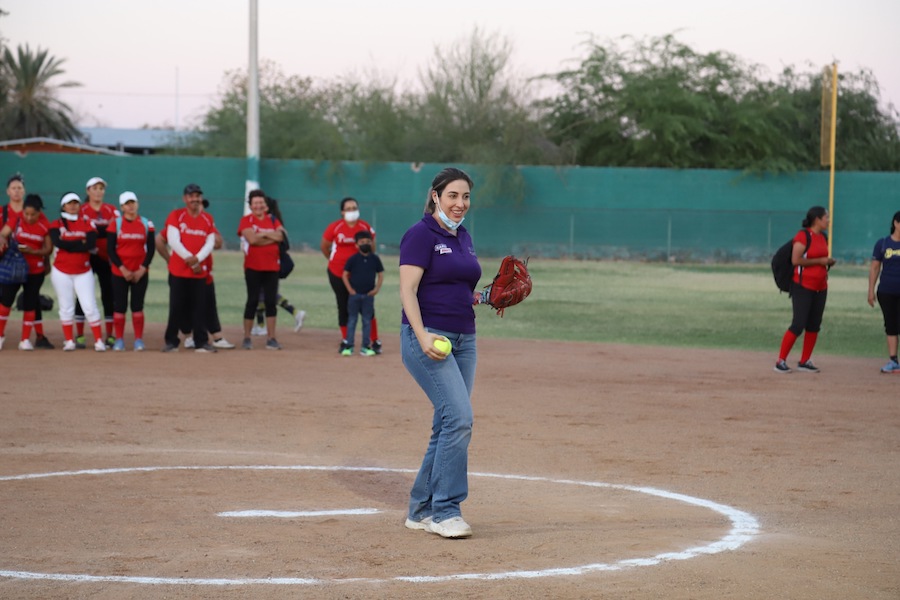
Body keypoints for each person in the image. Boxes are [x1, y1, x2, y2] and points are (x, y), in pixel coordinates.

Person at [399, 167, 482, 539]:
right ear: (436, 196)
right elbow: (407, 291)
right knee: (460, 418)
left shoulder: (462, 236)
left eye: (465, 197)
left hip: (465, 339)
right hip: (428, 338)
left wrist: (482, 296)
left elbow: (458, 286)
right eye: (452, 196)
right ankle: (445, 510)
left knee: (447, 423)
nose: (460, 203)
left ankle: (421, 509)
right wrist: (423, 336)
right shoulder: (421, 234)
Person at [155, 197, 234, 350]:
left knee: (204, 305)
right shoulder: (179, 219)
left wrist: (211, 233)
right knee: (180, 305)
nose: (200, 206)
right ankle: (186, 336)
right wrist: (170, 260)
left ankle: (210, 337)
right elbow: (160, 239)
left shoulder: (207, 222)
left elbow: (217, 243)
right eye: (199, 203)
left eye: (203, 204)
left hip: (203, 272)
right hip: (181, 270)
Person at [774, 206, 836, 373]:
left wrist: (827, 262)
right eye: (826, 218)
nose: (828, 221)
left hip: (821, 286)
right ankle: (780, 361)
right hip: (803, 286)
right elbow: (796, 260)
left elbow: (821, 258)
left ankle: (804, 360)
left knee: (814, 324)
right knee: (798, 324)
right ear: (817, 219)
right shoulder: (803, 236)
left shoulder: (823, 237)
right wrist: (820, 261)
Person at [321, 197, 382, 354]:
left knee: (367, 307)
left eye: (354, 207)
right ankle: (346, 340)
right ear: (342, 211)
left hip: (360, 275)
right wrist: (334, 260)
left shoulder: (364, 226)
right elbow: (324, 246)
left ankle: (374, 340)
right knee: (343, 306)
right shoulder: (335, 227)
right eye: (348, 209)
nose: (351, 211)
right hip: (337, 272)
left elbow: (372, 247)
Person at [161, 183, 218, 353]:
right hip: (179, 270)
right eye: (192, 196)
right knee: (176, 306)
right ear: (185, 199)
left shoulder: (208, 219)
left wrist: (198, 260)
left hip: (199, 271)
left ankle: (201, 341)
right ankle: (171, 341)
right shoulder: (176, 215)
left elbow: (210, 242)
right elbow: (173, 240)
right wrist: (190, 260)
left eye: (198, 196)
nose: (195, 199)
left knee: (199, 307)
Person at [48, 192, 106, 352]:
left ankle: (99, 341)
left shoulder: (88, 223)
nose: (73, 206)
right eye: (69, 203)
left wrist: (70, 244)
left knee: (89, 306)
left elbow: (91, 244)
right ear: (63, 206)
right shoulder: (56, 224)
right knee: (66, 307)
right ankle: (68, 341)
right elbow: (57, 242)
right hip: (61, 271)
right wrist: (79, 243)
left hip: (83, 271)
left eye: (75, 203)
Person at [1, 174, 53, 348]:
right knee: (5, 300)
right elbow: (3, 233)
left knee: (31, 302)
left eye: (20, 188)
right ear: (8, 191)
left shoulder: (42, 221)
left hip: (34, 269)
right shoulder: (11, 216)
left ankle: (27, 339)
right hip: (11, 266)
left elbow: (48, 248)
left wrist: (37, 253)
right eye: (13, 188)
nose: (29, 217)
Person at [107, 191, 155, 351]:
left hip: (140, 272)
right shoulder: (116, 224)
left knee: (137, 306)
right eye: (127, 203)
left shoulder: (147, 224)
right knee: (120, 306)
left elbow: (151, 249)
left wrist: (143, 268)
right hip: (120, 272)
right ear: (122, 207)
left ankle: (138, 340)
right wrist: (123, 269)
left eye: (133, 202)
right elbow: (111, 250)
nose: (131, 206)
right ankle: (119, 340)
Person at [237, 189, 285, 350]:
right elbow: (251, 239)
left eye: (261, 202)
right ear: (250, 206)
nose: (258, 206)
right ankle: (247, 337)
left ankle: (271, 338)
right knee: (252, 301)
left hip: (272, 267)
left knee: (271, 302)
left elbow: (280, 237)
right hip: (253, 267)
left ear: (265, 205)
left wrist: (262, 236)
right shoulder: (246, 220)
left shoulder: (272, 219)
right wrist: (269, 236)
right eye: (255, 203)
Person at [251, 196, 305, 335]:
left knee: (264, 293)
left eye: (261, 204)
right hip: (274, 263)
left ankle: (263, 325)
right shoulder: (274, 220)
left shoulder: (270, 221)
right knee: (265, 293)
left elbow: (280, 240)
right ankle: (293, 313)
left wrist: (263, 236)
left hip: (271, 263)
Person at [75, 176, 119, 348]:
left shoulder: (111, 209)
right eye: (94, 188)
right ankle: (79, 334)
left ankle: (110, 335)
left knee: (108, 295)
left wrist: (94, 230)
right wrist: (102, 230)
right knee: (82, 295)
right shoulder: (81, 210)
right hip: (87, 257)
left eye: (101, 188)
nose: (98, 192)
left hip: (107, 256)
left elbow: (115, 230)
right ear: (88, 191)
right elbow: (81, 230)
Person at [341, 230, 384, 356]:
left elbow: (380, 274)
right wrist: (350, 290)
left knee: (366, 321)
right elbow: (344, 275)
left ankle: (365, 346)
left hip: (368, 296)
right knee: (352, 320)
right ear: (356, 245)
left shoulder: (375, 259)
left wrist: (376, 289)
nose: (365, 244)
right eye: (362, 242)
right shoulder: (353, 259)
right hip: (355, 296)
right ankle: (349, 346)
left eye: (368, 242)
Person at [867, 210, 900, 373]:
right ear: (896, 223)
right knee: (891, 324)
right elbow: (874, 268)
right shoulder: (883, 243)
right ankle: (893, 361)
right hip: (887, 291)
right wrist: (870, 291)